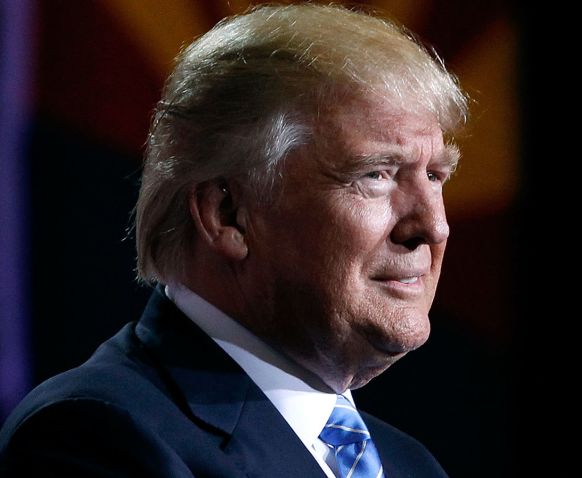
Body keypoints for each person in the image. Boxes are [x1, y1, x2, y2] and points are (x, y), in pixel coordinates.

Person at [0, 3, 467, 476]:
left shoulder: (410, 464)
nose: (433, 227)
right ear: (228, 215)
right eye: (376, 174)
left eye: (435, 175)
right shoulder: (98, 437)